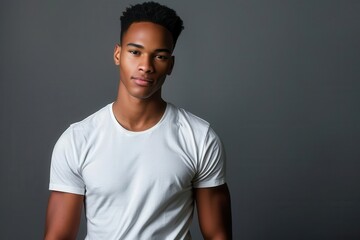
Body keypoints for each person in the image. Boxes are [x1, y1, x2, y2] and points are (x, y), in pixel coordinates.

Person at [44, 2, 232, 239]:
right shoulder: (77, 140)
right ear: (118, 54)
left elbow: (218, 234)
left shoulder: (200, 138)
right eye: (135, 52)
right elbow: (58, 236)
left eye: (160, 56)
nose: (146, 66)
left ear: (170, 65)